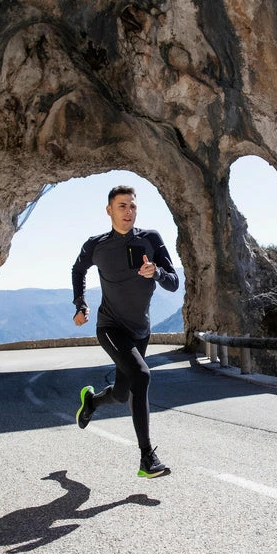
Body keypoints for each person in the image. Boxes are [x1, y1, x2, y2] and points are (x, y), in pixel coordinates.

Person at [71, 185, 180, 478]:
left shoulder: (150, 239)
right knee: (141, 375)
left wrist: (156, 272)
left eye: (132, 206)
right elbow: (78, 270)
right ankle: (147, 458)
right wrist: (81, 303)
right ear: (109, 210)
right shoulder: (96, 245)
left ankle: (92, 401)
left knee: (121, 393)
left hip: (140, 331)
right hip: (110, 327)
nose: (128, 212)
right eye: (122, 206)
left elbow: (173, 282)